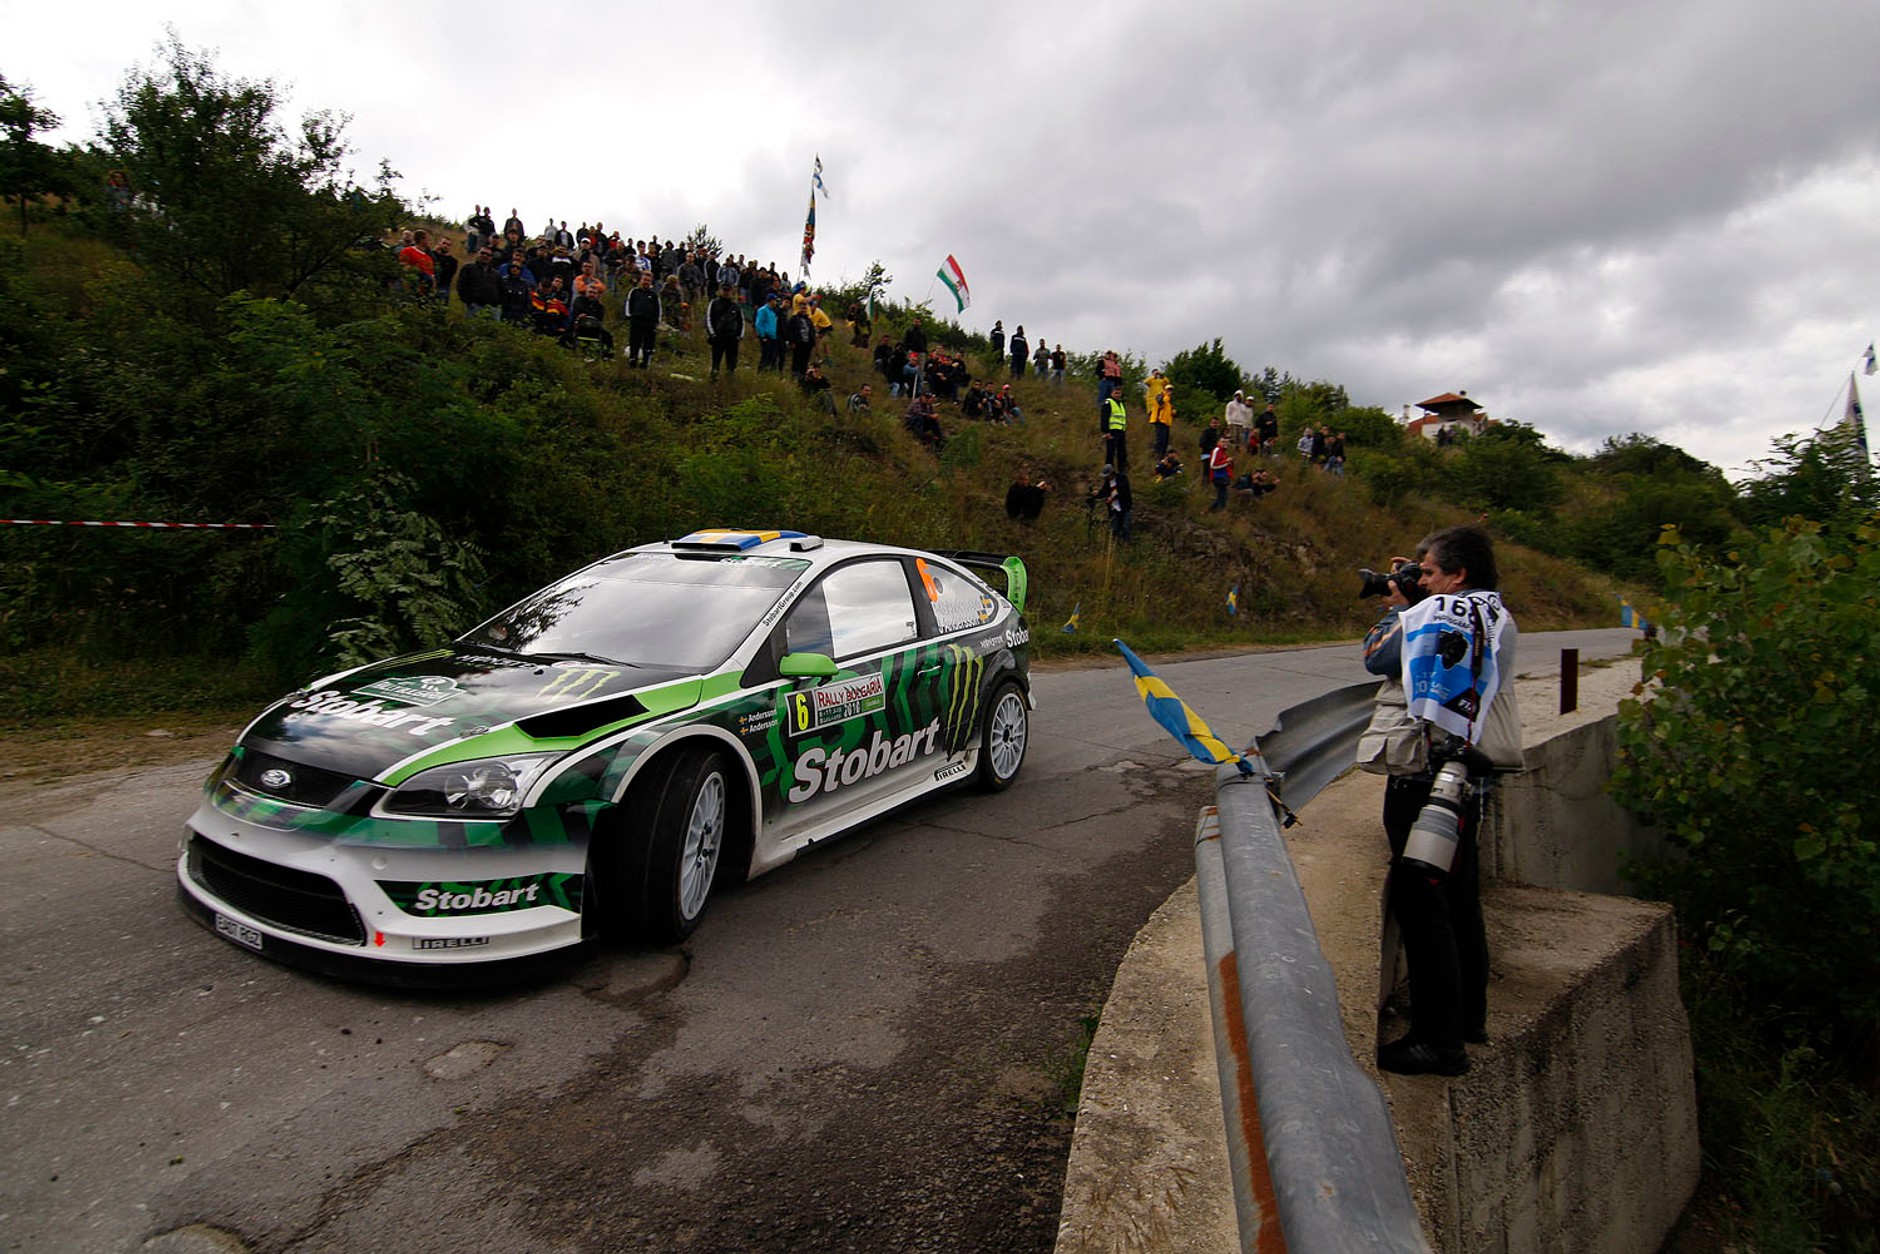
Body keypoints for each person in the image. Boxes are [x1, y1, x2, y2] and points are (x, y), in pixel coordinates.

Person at [1359, 526, 1521, 1076]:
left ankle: (1438, 1042)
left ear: (1459, 574)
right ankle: (1467, 1017)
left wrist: (1401, 607)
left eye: (1429, 572)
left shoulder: (1442, 614)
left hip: (1428, 779)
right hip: (1465, 776)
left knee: (1422, 903)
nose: (1421, 580)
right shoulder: (1493, 615)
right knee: (1458, 900)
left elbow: (1378, 656)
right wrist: (1418, 597)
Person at [705, 284, 744, 378]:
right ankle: (714, 377)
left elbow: (741, 322)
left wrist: (739, 336)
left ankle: (730, 378)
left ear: (731, 292)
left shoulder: (736, 306)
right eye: (724, 290)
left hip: (732, 337)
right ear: (720, 291)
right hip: (718, 336)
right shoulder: (714, 303)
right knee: (716, 360)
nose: (726, 293)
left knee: (732, 361)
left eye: (728, 290)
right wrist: (712, 334)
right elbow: (708, 319)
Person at [625, 271, 660, 367]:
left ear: (651, 282)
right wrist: (630, 316)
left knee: (648, 343)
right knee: (635, 341)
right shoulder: (634, 292)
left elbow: (658, 308)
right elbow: (629, 304)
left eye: (648, 280)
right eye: (644, 280)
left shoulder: (654, 295)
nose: (646, 282)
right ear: (640, 280)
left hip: (650, 322)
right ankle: (633, 359)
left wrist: (656, 320)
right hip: (636, 320)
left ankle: (645, 362)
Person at [1101, 388, 1129, 470]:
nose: (1118, 395)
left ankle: (1122, 469)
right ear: (1111, 393)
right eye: (1116, 393)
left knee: (1122, 452)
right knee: (1111, 452)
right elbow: (1104, 418)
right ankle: (1108, 470)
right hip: (1112, 431)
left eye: (1119, 393)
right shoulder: (1108, 402)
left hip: (1121, 431)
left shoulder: (1121, 404)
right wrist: (1106, 431)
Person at [1206, 436, 1234, 511]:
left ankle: (1211, 511)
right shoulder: (1217, 450)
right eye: (1223, 442)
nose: (1225, 444)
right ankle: (1216, 511)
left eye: (1227, 442)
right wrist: (1226, 462)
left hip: (1223, 476)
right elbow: (1212, 465)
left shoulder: (1223, 452)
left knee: (1222, 496)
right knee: (1222, 496)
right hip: (1218, 476)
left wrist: (1229, 463)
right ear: (1218, 443)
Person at [1107, 468, 1133, 541]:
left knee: (1125, 528)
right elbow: (1104, 490)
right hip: (1115, 508)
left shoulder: (1122, 479)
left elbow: (1123, 492)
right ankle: (1115, 543)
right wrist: (1098, 494)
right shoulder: (1109, 482)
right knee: (1114, 528)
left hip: (1125, 507)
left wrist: (1113, 498)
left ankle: (1126, 543)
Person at [1148, 388, 1174, 458]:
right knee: (1160, 440)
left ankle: (1162, 456)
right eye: (1168, 390)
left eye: (1171, 390)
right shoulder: (1161, 397)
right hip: (1160, 421)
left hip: (1166, 423)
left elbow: (1168, 412)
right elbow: (1161, 405)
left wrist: (1172, 412)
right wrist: (1167, 396)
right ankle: (1157, 454)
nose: (1170, 392)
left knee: (1165, 441)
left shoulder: (1169, 401)